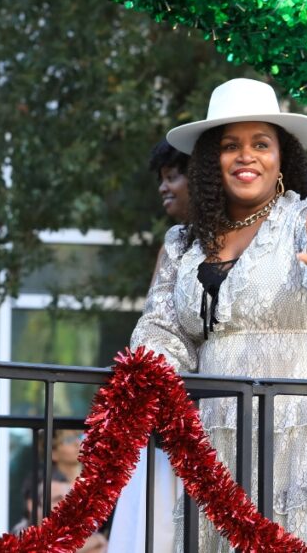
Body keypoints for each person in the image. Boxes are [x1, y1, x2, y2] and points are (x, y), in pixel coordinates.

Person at [130, 78, 307, 550]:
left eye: (261, 144)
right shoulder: (184, 242)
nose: (247, 156)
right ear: (209, 162)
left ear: (282, 156)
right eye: (230, 146)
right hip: (217, 427)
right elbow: (162, 328)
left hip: (304, 419)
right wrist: (142, 378)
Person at [108, 141, 189, 553]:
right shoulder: (175, 243)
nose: (164, 188)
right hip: (174, 410)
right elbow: (154, 323)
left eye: (173, 176)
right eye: (161, 179)